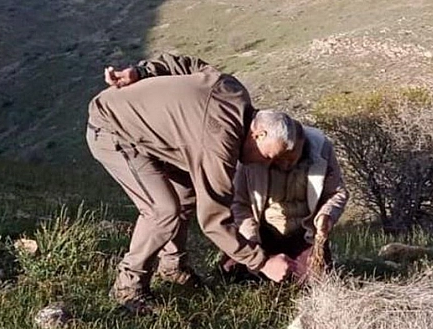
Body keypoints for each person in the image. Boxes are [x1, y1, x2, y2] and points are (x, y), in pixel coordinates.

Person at [86, 53, 302, 314]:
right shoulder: (219, 143)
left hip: (146, 134)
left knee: (186, 192)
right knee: (162, 212)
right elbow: (214, 220)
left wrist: (141, 72)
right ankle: (128, 288)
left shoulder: (233, 91)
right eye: (267, 156)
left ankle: (172, 267)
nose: (264, 164)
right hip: (112, 129)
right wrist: (263, 262)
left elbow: (184, 65)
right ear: (259, 133)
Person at [224, 115, 349, 284]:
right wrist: (253, 246)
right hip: (261, 229)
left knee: (315, 279)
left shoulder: (322, 149)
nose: (285, 164)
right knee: (233, 273)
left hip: (303, 232)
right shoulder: (250, 154)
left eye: (290, 156)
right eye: (278, 158)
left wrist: (327, 215)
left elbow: (336, 193)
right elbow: (239, 204)